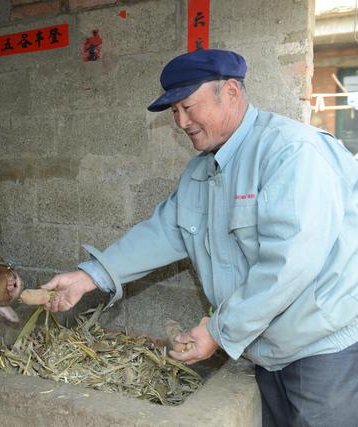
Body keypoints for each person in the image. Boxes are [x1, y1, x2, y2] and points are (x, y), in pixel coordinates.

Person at [41, 49, 358, 427]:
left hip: (321, 351)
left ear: (232, 92)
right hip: (267, 349)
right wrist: (90, 276)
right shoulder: (201, 172)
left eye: (189, 106)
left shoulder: (290, 153)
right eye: (175, 110)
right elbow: (165, 231)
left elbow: (289, 265)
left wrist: (219, 331)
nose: (181, 121)